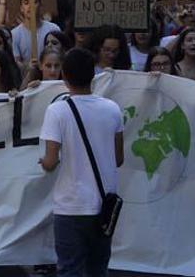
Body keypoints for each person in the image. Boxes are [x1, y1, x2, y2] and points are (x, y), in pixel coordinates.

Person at [39, 48, 124, 277]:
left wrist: (45, 162)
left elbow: (49, 161)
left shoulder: (56, 111)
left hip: (70, 206)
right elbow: (118, 158)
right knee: (98, 268)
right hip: (104, 204)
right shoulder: (113, 108)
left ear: (64, 76)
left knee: (69, 269)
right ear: (93, 76)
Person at [10, 0, 61, 64]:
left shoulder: (53, 29)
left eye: (34, 2)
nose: (31, 6)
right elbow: (17, 63)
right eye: (26, 3)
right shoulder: (14, 34)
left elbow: (60, 56)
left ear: (40, 6)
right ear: (21, 8)